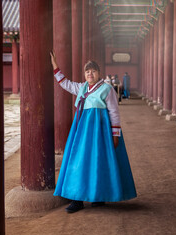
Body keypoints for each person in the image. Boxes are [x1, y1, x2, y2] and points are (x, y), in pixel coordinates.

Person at [50, 51, 137, 213]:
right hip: (81, 131)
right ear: (84, 74)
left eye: (93, 70)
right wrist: (55, 66)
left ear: (99, 73)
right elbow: (65, 83)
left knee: (99, 162)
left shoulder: (107, 89)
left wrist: (115, 134)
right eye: (87, 71)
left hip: (100, 132)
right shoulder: (82, 87)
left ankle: (98, 196)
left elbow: (114, 112)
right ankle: (77, 199)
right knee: (79, 160)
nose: (90, 73)